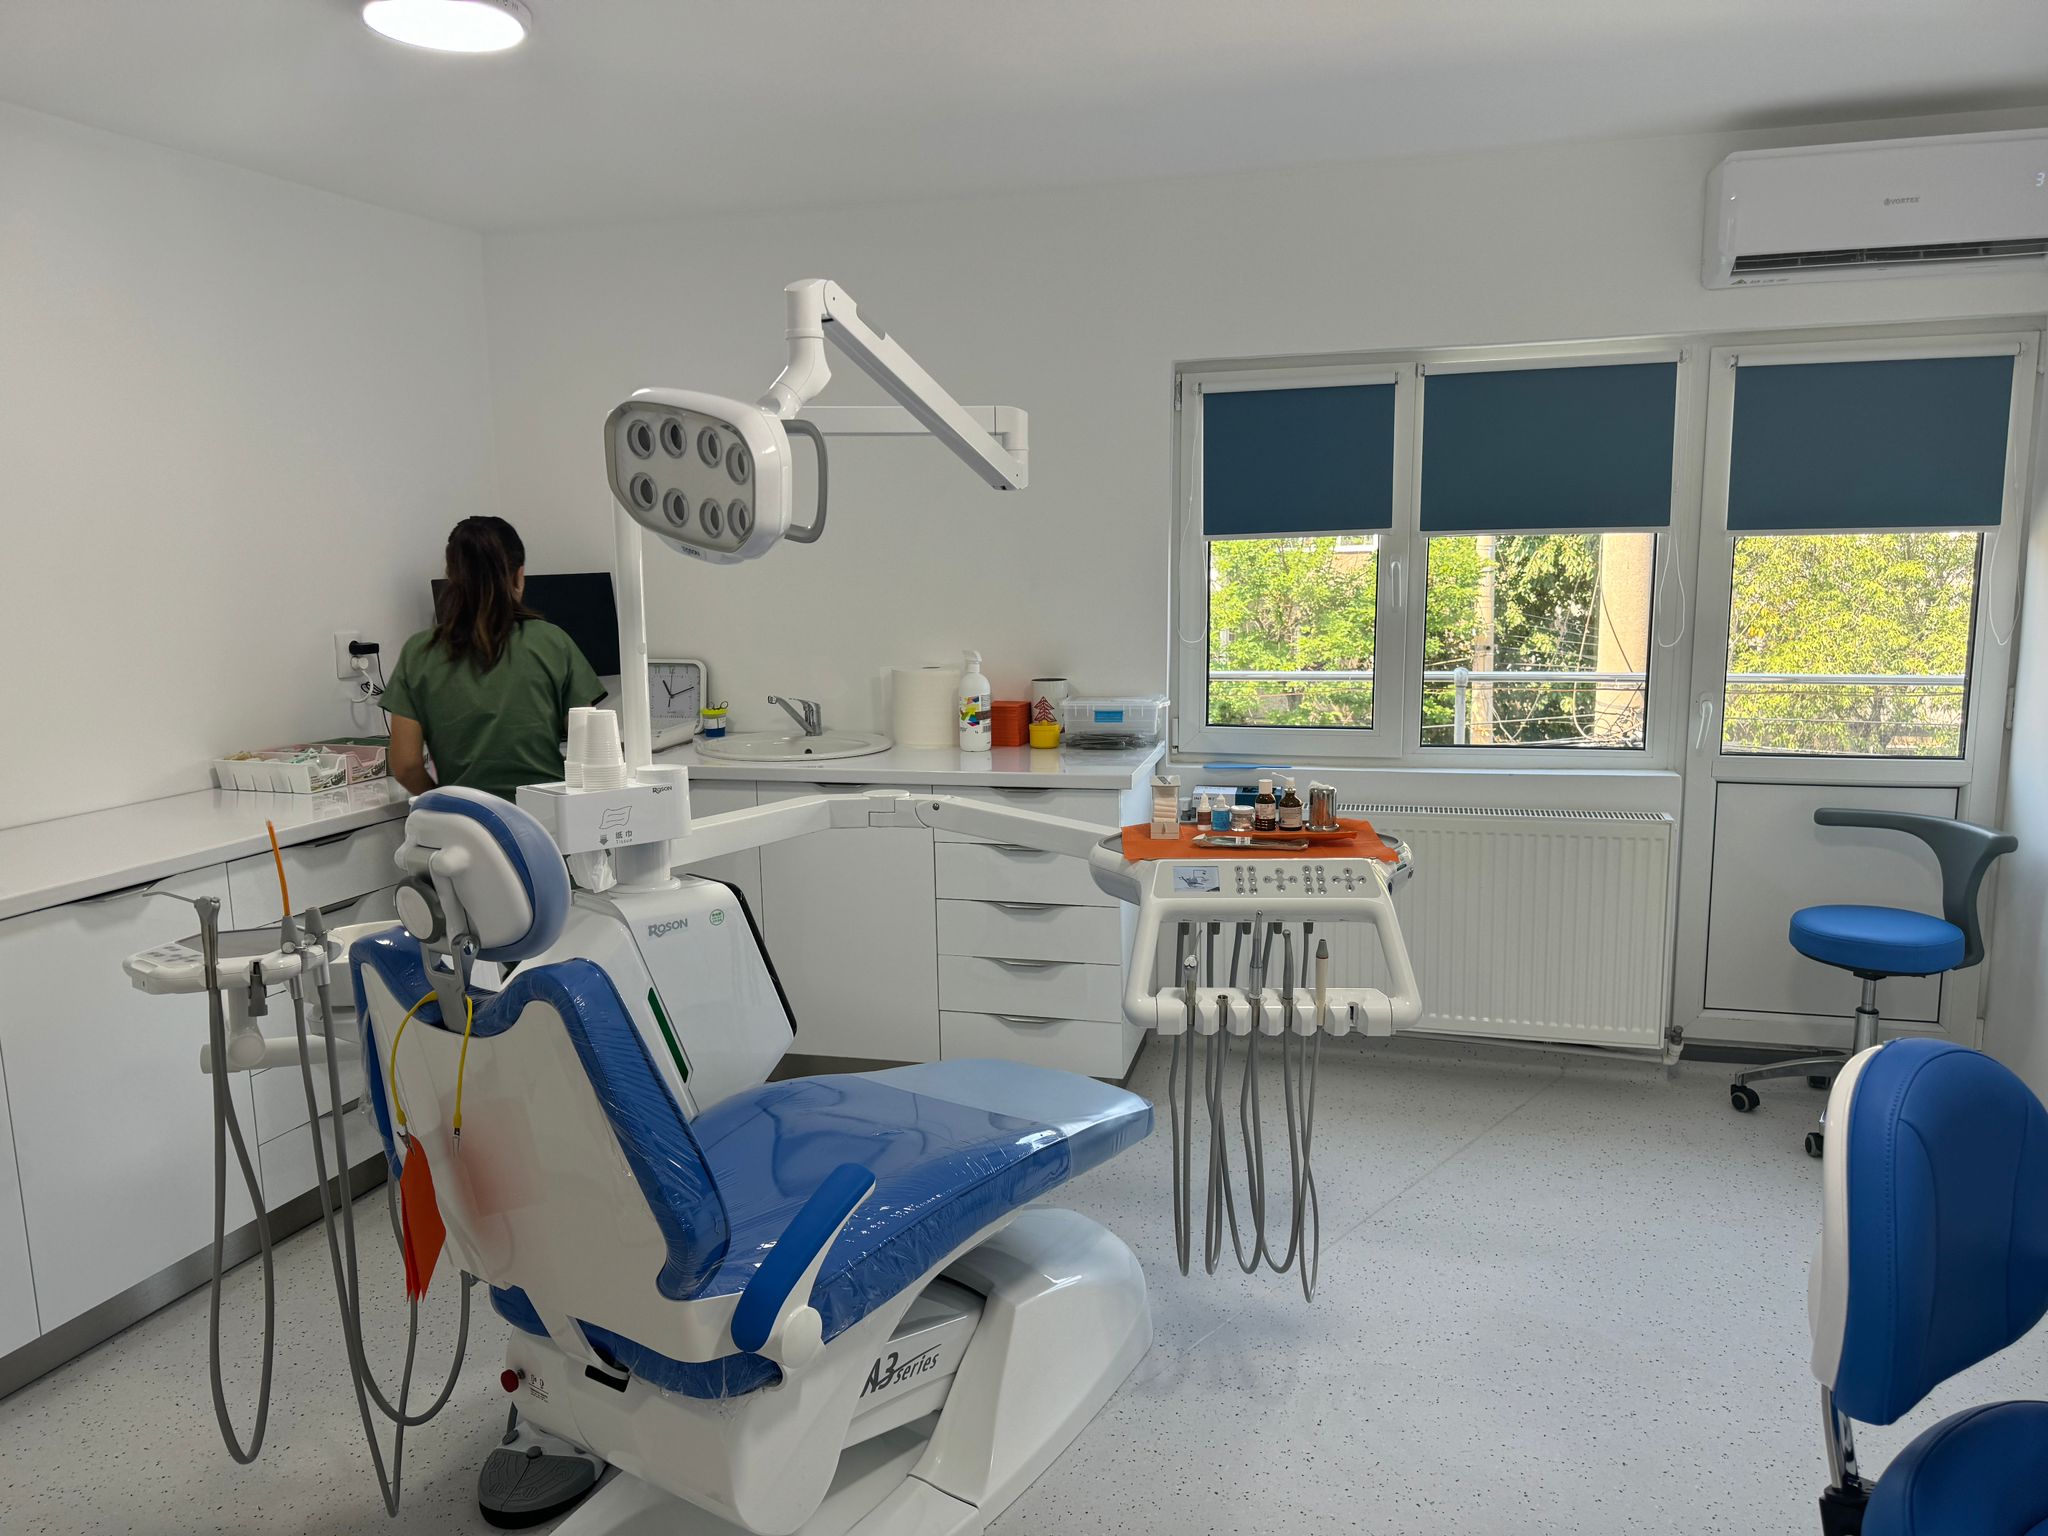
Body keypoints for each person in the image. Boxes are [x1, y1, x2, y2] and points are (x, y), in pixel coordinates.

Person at [382, 516, 606, 801]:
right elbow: (588, 750)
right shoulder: (553, 642)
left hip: (465, 822)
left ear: (452, 575)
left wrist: (450, 804)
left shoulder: (419, 652)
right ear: (519, 576)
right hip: (544, 819)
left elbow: (405, 765)